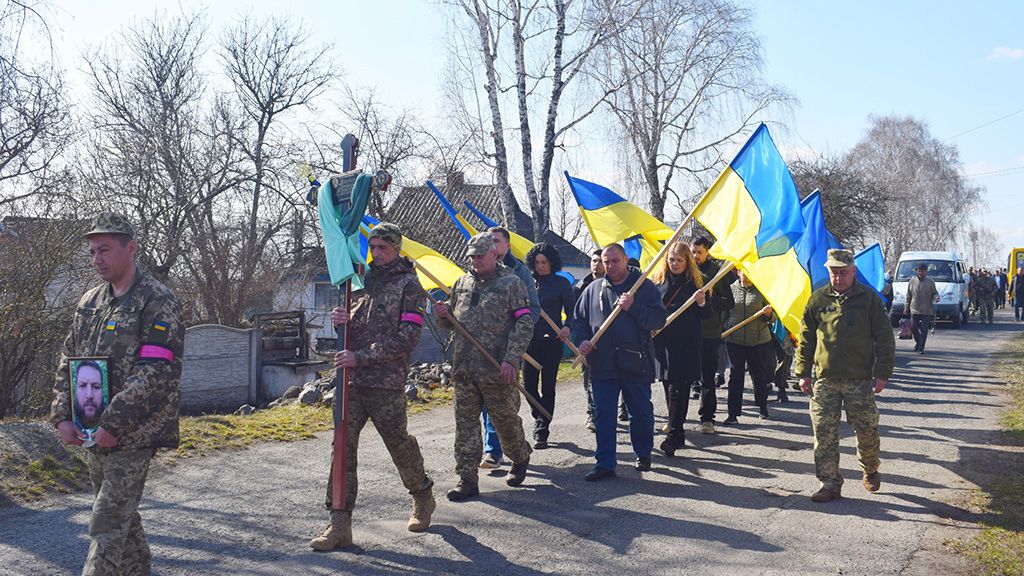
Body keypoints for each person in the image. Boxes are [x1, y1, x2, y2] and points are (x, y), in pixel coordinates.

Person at [50, 212, 184, 576]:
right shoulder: (89, 302)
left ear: (131, 248)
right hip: (92, 430)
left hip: (134, 431)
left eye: (105, 250)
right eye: (93, 252)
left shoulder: (157, 301)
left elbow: (154, 371)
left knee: (107, 520)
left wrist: (113, 422)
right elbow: (69, 359)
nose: (97, 259)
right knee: (121, 514)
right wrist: (62, 415)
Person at [310, 223, 435, 551]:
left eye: (383, 247)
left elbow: (407, 339)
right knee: (342, 449)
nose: (377, 252)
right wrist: (341, 321)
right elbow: (351, 327)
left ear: (396, 249)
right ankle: (339, 524)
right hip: (351, 382)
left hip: (386, 382)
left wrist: (360, 357)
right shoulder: (357, 282)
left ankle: (422, 496)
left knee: (398, 444)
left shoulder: (410, 286)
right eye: (374, 246)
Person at [435, 232, 534, 501]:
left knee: (505, 421)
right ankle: (467, 478)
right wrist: (443, 316)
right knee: (465, 425)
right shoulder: (462, 283)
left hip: (497, 368)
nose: (475, 261)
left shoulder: (511, 284)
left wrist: (511, 359)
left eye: (480, 256)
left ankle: (519, 456)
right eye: (472, 257)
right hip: (465, 367)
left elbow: (524, 324)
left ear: (494, 254)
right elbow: (450, 324)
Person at [797, 249, 895, 503]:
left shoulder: (869, 299)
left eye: (843, 273)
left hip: (859, 379)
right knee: (824, 433)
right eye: (833, 272)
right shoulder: (818, 300)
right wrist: (802, 373)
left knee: (866, 429)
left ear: (853, 271)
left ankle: (870, 468)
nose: (838, 278)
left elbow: (884, 337)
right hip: (825, 379)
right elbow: (806, 338)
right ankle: (829, 483)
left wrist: (882, 372)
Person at [573, 243, 667, 480]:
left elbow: (658, 320)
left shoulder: (643, 288)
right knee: (604, 414)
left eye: (615, 261)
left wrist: (633, 307)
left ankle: (643, 453)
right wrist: (582, 340)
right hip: (602, 363)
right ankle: (605, 463)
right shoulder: (593, 289)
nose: (610, 266)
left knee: (640, 412)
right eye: (606, 262)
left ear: (626, 259)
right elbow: (578, 321)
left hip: (635, 361)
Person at [478, 226, 539, 470]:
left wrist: (513, 339)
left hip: (507, 348)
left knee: (503, 402)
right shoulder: (478, 271)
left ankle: (511, 448)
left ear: (507, 246)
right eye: (488, 241)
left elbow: (532, 310)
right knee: (484, 399)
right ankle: (492, 449)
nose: (491, 245)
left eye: (496, 241)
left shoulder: (519, 273)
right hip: (481, 349)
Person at [650, 241, 708, 456]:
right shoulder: (658, 282)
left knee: (678, 388)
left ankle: (673, 434)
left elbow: (707, 315)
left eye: (679, 260)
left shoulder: (695, 284)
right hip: (663, 343)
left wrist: (702, 302)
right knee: (668, 385)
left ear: (687, 262)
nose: (674, 263)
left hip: (685, 344)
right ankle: (678, 429)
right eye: (671, 259)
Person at [522, 242, 575, 449]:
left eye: (544, 262)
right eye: (537, 262)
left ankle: (541, 429)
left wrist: (567, 327)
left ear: (552, 263)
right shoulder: (527, 283)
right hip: (529, 341)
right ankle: (540, 412)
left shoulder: (561, 284)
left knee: (548, 386)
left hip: (552, 340)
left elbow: (572, 310)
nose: (541, 266)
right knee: (528, 387)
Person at [691, 236, 736, 432]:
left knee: (707, 377)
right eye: (693, 252)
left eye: (699, 252)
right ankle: (676, 418)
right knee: (682, 377)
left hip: (709, 333)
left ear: (708, 252)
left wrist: (711, 298)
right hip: (686, 332)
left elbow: (729, 302)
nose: (695, 256)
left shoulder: (718, 272)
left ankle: (707, 418)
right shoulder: (685, 269)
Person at [723, 270, 775, 423]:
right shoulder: (730, 289)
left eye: (751, 273)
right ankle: (732, 414)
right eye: (744, 273)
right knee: (735, 376)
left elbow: (774, 317)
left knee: (759, 374)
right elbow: (723, 311)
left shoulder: (762, 290)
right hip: (734, 339)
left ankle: (763, 407)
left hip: (758, 340)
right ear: (738, 272)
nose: (747, 276)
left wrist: (769, 314)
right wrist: (724, 326)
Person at [574, 249, 605, 431]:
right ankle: (592, 412)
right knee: (588, 380)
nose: (597, 264)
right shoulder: (581, 287)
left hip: (606, 343)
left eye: (600, 261)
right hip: (586, 342)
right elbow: (576, 315)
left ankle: (599, 413)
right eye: (594, 260)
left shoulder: (612, 286)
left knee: (603, 381)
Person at [906, 263, 939, 353]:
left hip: (926, 309)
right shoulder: (912, 281)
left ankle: (921, 347)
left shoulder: (930, 282)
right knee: (913, 327)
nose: (920, 272)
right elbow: (908, 295)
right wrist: (906, 307)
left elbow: (935, 293)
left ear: (926, 272)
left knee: (924, 330)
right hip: (914, 308)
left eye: (922, 271)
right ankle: (919, 342)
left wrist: (936, 297)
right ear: (916, 271)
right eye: (919, 270)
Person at [74, 360, 106, 429]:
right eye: (82, 385)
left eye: (96, 387)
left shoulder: (114, 415)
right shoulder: (68, 421)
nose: (89, 395)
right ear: (76, 389)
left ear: (102, 390)